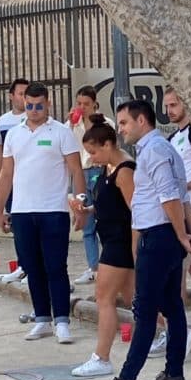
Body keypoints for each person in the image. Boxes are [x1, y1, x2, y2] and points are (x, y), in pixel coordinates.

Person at [94, 99, 191, 380]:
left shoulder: (154, 150)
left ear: (142, 121)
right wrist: (186, 235)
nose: (121, 129)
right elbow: (175, 196)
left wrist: (182, 235)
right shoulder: (161, 149)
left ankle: (127, 379)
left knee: (144, 309)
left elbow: (169, 196)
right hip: (162, 236)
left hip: (160, 237)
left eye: (125, 122)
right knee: (172, 307)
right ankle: (173, 373)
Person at [0, 82, 86, 344]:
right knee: (32, 268)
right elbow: (7, 173)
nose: (33, 110)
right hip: (22, 212)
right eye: (29, 105)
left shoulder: (60, 132)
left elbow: (76, 170)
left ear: (48, 104)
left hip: (53, 211)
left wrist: (79, 203)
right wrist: (0, 208)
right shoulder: (13, 134)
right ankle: (43, 319)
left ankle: (62, 321)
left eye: (38, 105)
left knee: (55, 266)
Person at [69, 114, 136, 377]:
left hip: (120, 243)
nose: (91, 158)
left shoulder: (125, 170)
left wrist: (134, 249)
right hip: (111, 238)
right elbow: (111, 205)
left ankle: (102, 357)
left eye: (93, 152)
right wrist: (86, 210)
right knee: (135, 299)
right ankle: (172, 332)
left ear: (108, 145)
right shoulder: (110, 169)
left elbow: (135, 211)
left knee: (104, 298)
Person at [149, 87, 191, 359]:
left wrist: (181, 186)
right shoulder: (173, 138)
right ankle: (175, 333)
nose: (169, 110)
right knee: (177, 275)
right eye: (167, 105)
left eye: (174, 104)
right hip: (182, 210)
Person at [67, 85, 114, 285]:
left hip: (98, 171)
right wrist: (71, 124)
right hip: (80, 173)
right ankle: (92, 267)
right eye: (79, 103)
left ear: (94, 104)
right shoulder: (72, 124)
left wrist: (88, 123)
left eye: (86, 104)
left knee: (103, 219)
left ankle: (108, 265)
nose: (82, 107)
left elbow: (103, 147)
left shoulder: (105, 123)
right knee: (86, 222)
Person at [0, 78, 28, 284]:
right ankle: (22, 265)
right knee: (15, 224)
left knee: (28, 224)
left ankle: (31, 266)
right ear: (11, 96)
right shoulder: (3, 121)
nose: (24, 98)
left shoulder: (34, 118)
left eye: (27, 93)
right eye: (21, 93)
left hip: (28, 182)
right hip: (10, 182)